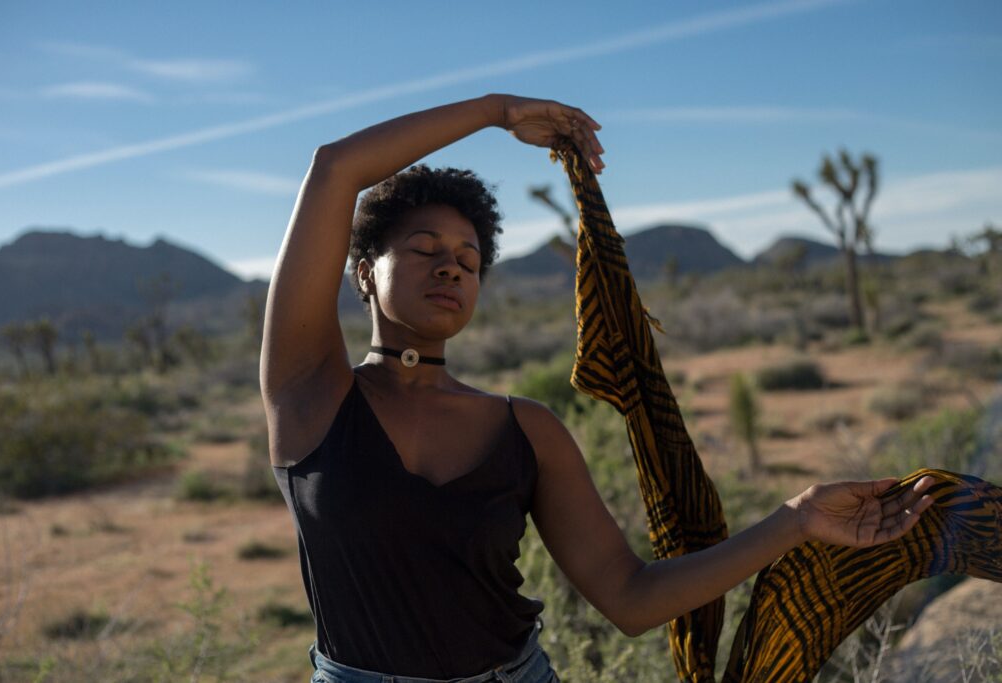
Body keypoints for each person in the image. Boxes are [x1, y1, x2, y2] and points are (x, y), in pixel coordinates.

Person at [260, 94, 937, 683]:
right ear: (362, 273)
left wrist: (796, 517)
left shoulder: (526, 429)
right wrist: (499, 112)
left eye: (468, 260)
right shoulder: (310, 393)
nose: (450, 268)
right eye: (423, 248)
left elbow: (630, 594)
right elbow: (333, 169)